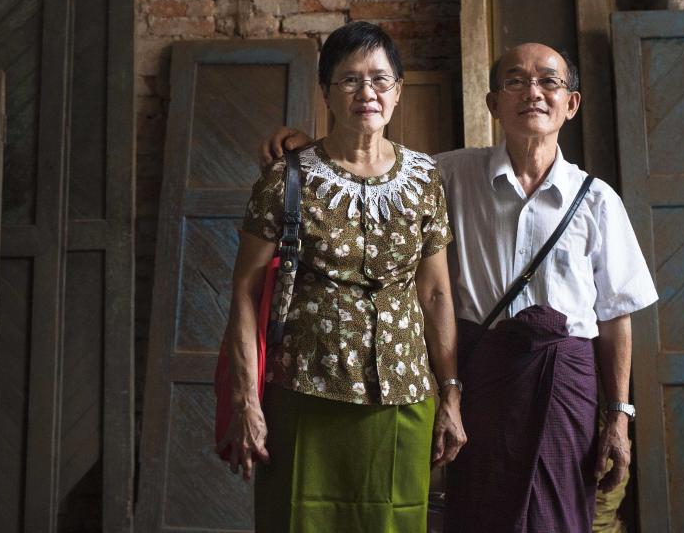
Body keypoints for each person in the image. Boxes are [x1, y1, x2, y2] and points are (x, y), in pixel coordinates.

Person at [260, 42, 658, 533]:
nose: (532, 93)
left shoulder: (597, 200)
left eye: (548, 82)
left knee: (558, 515)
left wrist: (617, 417)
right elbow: (373, 164)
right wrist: (311, 148)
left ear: (570, 104)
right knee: (475, 511)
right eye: (514, 81)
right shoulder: (446, 173)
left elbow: (617, 316)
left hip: (563, 382)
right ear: (492, 103)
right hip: (481, 376)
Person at [218, 20, 467, 533]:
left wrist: (451, 393)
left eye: (380, 79)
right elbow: (245, 292)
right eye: (349, 79)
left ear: (398, 92)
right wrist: (247, 400)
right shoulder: (288, 178)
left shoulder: (425, 180)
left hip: (405, 395)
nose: (366, 92)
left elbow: (437, 293)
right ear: (327, 92)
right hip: (306, 392)